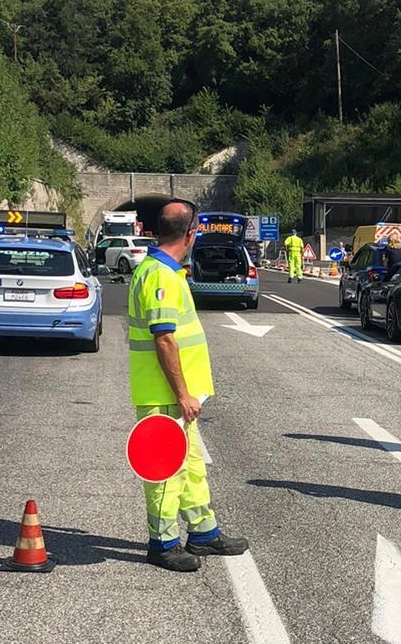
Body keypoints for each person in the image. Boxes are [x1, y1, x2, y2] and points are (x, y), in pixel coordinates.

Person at [128, 199, 249, 571]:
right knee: (165, 470)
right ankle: (162, 543)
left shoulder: (164, 271)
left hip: (178, 396)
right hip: (164, 395)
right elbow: (164, 338)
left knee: (192, 465)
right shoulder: (161, 276)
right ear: (191, 233)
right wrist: (181, 393)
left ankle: (203, 533)